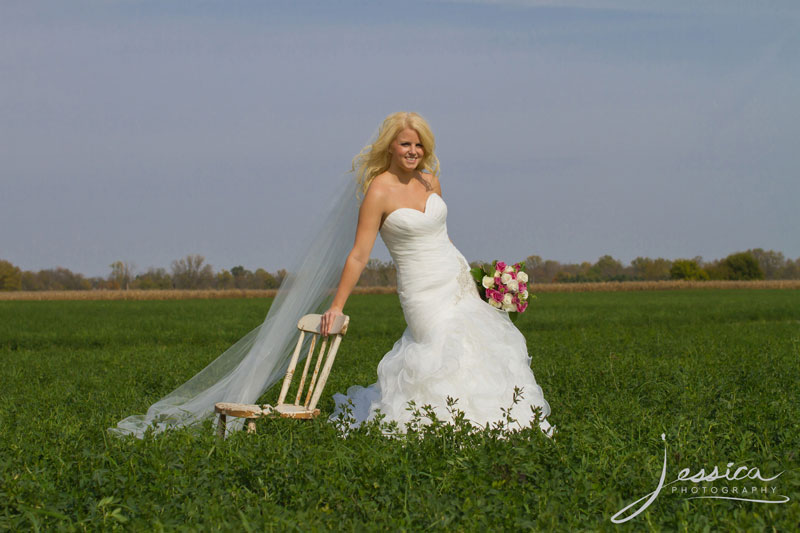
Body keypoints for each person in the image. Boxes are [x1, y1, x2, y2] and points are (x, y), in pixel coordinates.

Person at [321, 112, 554, 436]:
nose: (413, 151)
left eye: (419, 144)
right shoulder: (379, 191)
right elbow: (360, 255)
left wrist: (481, 279)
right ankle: (436, 423)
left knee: (478, 345)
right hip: (421, 291)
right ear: (391, 146)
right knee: (440, 347)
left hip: (455, 275)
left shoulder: (430, 181)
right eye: (406, 144)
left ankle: (489, 421)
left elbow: (443, 237)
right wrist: (337, 305)